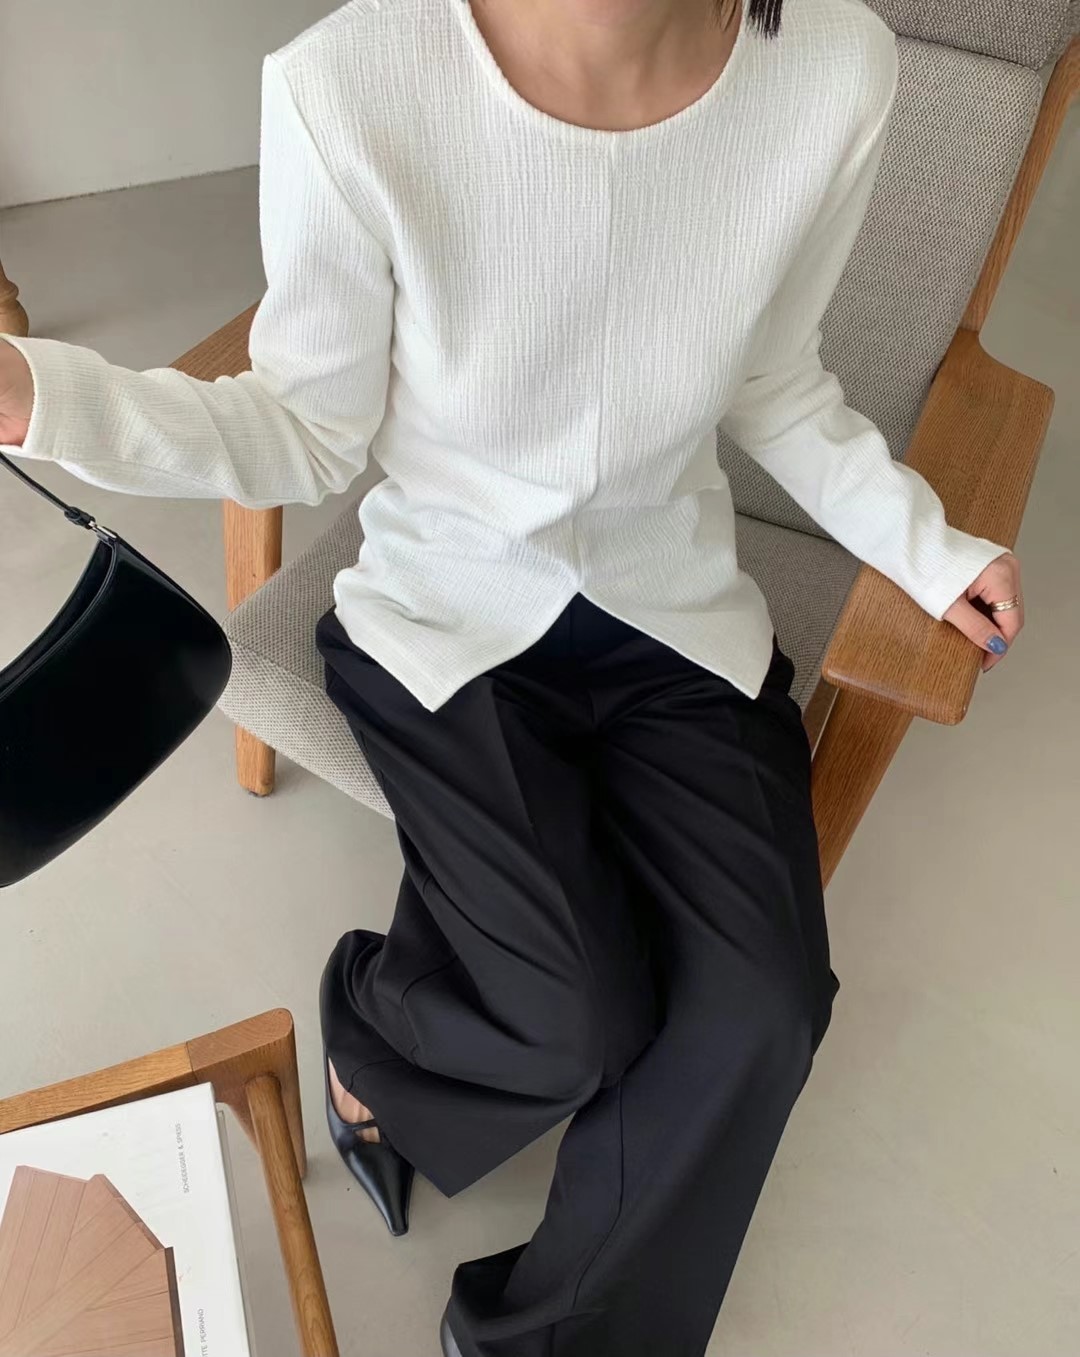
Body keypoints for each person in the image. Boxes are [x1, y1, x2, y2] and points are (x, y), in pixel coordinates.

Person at [0, 0, 1024, 1352]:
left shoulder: (837, 68)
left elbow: (776, 381)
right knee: (572, 1018)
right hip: (443, 614)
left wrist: (924, 545)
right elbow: (305, 430)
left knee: (761, 1014)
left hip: (676, 613)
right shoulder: (347, 86)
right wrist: (43, 399)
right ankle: (374, 1046)